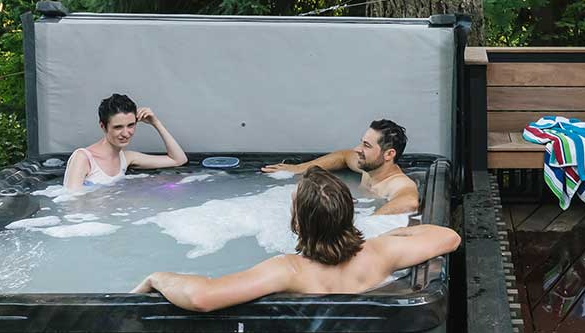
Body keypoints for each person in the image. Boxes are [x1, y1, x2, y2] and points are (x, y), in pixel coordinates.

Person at [132, 167, 459, 312]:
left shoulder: (287, 270)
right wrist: (388, 235)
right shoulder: (379, 253)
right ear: (348, 214)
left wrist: (158, 277)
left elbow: (203, 297)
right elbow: (447, 237)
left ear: (298, 223)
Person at [263, 118, 418, 214]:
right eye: (361, 142)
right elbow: (343, 156)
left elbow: (409, 202)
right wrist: (299, 168)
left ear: (389, 154)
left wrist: (367, 223)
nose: (357, 149)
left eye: (366, 145)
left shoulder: (397, 183)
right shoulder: (367, 169)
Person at [63, 92, 188, 190]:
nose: (125, 133)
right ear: (103, 126)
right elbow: (72, 203)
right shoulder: (83, 158)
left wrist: (156, 123)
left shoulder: (126, 158)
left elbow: (178, 160)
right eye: (118, 127)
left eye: (131, 125)